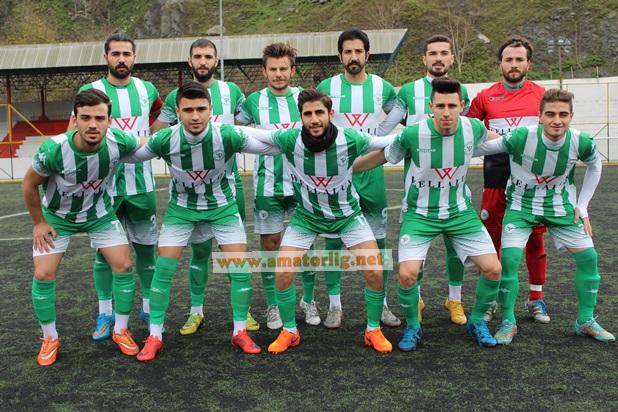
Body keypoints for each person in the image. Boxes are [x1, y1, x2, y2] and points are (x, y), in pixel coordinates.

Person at [128, 82, 281, 361]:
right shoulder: (166, 139)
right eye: (188, 110)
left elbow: (270, 143)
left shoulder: (227, 134)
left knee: (240, 268)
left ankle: (239, 331)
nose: (195, 116)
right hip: (181, 209)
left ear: (211, 109)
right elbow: (132, 154)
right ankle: (155, 336)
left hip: (222, 208)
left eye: (201, 109)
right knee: (163, 269)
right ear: (177, 112)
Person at [241, 88, 395, 353]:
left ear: (331, 114)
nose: (314, 119)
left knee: (375, 269)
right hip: (307, 218)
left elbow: (388, 142)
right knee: (283, 271)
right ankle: (290, 331)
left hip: (347, 217)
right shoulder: (290, 138)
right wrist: (213, 127)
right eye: (308, 114)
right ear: (300, 116)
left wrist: (424, 133)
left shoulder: (350, 138)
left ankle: (373, 329)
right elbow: (255, 135)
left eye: (319, 113)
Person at [354, 77, 502, 351]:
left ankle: (477, 321)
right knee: (407, 275)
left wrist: (528, 141)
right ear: (430, 106)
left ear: (462, 106)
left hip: (460, 213)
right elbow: (384, 156)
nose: (446, 112)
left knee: (494, 269)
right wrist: (347, 170)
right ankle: (413, 326)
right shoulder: (412, 134)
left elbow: (497, 140)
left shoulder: (473, 127)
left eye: (452, 106)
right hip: (419, 215)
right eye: (440, 106)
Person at [474, 88, 614, 344]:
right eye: (550, 114)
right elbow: (481, 148)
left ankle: (585, 320)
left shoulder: (581, 141)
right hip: (521, 207)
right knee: (509, 261)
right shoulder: (520, 137)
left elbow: (595, 165)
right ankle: (508, 321)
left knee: (589, 259)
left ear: (571, 116)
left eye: (563, 114)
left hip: (560, 207)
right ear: (539, 116)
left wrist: (582, 207)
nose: (556, 120)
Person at [24, 89, 143, 366]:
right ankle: (50, 337)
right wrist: (39, 223)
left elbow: (150, 143)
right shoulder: (54, 149)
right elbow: (29, 184)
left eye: (99, 118)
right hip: (58, 217)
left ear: (109, 120)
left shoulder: (118, 141)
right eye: (86, 117)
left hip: (99, 214)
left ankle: (121, 330)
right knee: (43, 274)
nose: (93, 124)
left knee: (124, 266)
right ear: (74, 119)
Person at [150, 38, 258, 335]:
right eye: (197, 56)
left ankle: (243, 312)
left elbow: (242, 130)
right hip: (189, 189)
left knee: (235, 252)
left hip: (228, 185)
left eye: (208, 56)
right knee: (199, 252)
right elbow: (157, 132)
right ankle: (196, 311)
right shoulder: (176, 96)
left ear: (216, 60)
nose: (203, 61)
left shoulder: (232, 91)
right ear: (190, 61)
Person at [70, 31, 163, 341]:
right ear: (106, 57)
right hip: (103, 189)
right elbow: (73, 132)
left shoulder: (147, 89)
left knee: (147, 251)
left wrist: (153, 141)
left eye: (126, 54)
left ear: (134, 57)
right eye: (115, 54)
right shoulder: (90, 90)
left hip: (142, 185)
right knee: (103, 255)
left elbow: (160, 120)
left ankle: (148, 310)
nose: (121, 59)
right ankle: (105, 312)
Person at [379, 34, 471, 326]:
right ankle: (416, 299)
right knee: (415, 254)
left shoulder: (460, 92)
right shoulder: (408, 92)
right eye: (433, 53)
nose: (438, 58)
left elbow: (467, 130)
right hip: (418, 189)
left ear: (452, 58)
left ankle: (454, 299)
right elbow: (385, 128)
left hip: (454, 187)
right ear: (424, 59)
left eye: (444, 53)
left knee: (456, 249)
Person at [316, 28, 400, 329]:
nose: (353, 57)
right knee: (333, 241)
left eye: (358, 51)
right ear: (340, 56)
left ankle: (382, 303)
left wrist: (383, 136)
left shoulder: (382, 87)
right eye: (348, 52)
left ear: (367, 54)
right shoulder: (327, 86)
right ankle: (334, 305)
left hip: (372, 173)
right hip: (336, 175)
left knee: (379, 241)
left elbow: (396, 116)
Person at [466, 36, 549, 325]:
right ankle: (490, 299)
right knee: (491, 241)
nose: (514, 64)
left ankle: (536, 298)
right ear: (500, 63)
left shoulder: (542, 96)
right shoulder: (485, 97)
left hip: (533, 181)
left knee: (534, 239)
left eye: (519, 59)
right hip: (496, 178)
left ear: (528, 63)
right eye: (509, 59)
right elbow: (468, 128)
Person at [236, 43, 316, 329]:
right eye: (273, 69)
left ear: (293, 70)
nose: (278, 74)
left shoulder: (304, 97)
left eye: (283, 68)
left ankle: (308, 299)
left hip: (303, 184)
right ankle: (273, 305)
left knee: (306, 244)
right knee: (270, 245)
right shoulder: (252, 102)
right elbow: (237, 130)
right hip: (267, 186)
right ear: (264, 71)